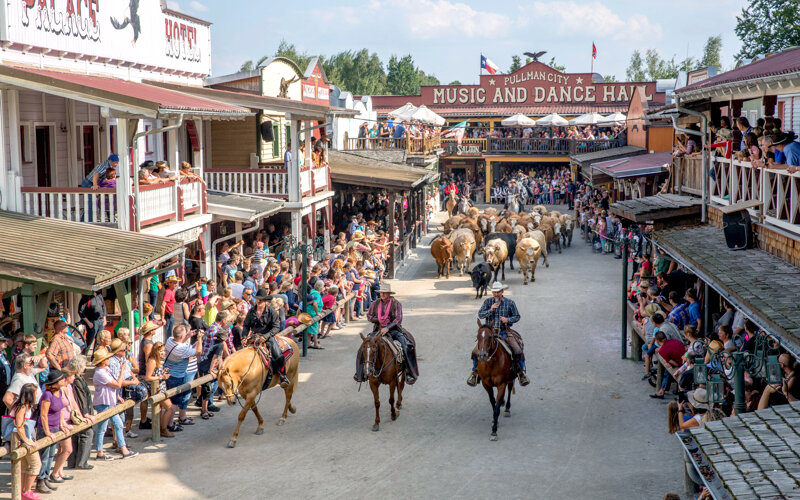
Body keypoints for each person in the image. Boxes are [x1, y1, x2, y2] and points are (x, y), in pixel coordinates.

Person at [354, 283, 419, 384]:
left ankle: (409, 372)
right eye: (381, 293)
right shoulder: (375, 303)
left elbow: (398, 319)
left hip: (393, 330)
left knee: (407, 345)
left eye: (385, 293)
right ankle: (360, 373)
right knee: (363, 347)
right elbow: (369, 316)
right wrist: (379, 320)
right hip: (378, 330)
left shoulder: (396, 303)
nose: (383, 294)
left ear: (389, 294)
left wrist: (388, 327)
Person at [469, 281, 530, 387]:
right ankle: (475, 373)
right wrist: (490, 310)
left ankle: (521, 373)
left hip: (504, 332)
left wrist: (507, 319)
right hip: (489, 333)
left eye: (498, 292)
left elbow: (517, 316)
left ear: (502, 291)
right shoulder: (488, 302)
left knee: (517, 350)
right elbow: (480, 314)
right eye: (494, 292)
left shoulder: (510, 303)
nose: (496, 294)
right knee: (475, 352)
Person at [92, 347, 138, 460]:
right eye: (107, 358)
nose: (109, 359)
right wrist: (122, 370)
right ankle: (120, 451)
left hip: (109, 402)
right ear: (102, 361)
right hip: (104, 403)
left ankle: (105, 452)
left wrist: (117, 396)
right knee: (106, 428)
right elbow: (117, 384)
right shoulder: (100, 373)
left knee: (111, 426)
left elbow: (110, 386)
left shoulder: (105, 370)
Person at [242, 288, 288, 388]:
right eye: (258, 299)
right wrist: (244, 337)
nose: (259, 301)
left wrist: (266, 336)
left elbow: (276, 327)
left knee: (278, 355)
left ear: (265, 301)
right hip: (254, 336)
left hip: (268, 337)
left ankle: (283, 376)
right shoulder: (251, 311)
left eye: (261, 299)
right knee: (240, 354)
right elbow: (246, 325)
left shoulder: (271, 311)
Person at [38, 370, 73, 489]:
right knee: (44, 456)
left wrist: (62, 424)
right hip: (46, 429)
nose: (64, 380)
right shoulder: (47, 395)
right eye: (61, 379)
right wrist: (47, 432)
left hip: (56, 428)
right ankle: (41, 480)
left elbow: (60, 411)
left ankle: (46, 477)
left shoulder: (59, 392)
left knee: (51, 455)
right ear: (55, 383)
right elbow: (43, 414)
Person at [164, 325, 203, 427]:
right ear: (182, 336)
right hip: (176, 376)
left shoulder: (169, 340)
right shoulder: (182, 349)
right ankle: (170, 424)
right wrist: (199, 339)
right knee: (174, 403)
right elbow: (198, 352)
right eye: (186, 332)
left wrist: (187, 336)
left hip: (169, 374)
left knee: (171, 400)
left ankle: (170, 422)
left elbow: (180, 341)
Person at [64, 356, 95, 471]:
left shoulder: (76, 379)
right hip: (78, 412)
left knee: (76, 436)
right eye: (83, 365)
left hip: (77, 412)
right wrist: (85, 414)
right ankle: (82, 462)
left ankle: (73, 462)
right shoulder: (76, 381)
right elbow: (80, 398)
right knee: (87, 433)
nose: (85, 367)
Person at [144, 342, 176, 437]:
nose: (163, 353)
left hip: (161, 387)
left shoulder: (158, 360)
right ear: (156, 351)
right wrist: (162, 377)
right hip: (156, 389)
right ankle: (163, 429)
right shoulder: (152, 361)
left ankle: (161, 428)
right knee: (169, 408)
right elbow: (148, 377)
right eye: (161, 351)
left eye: (164, 351)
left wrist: (163, 372)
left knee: (162, 409)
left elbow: (156, 373)